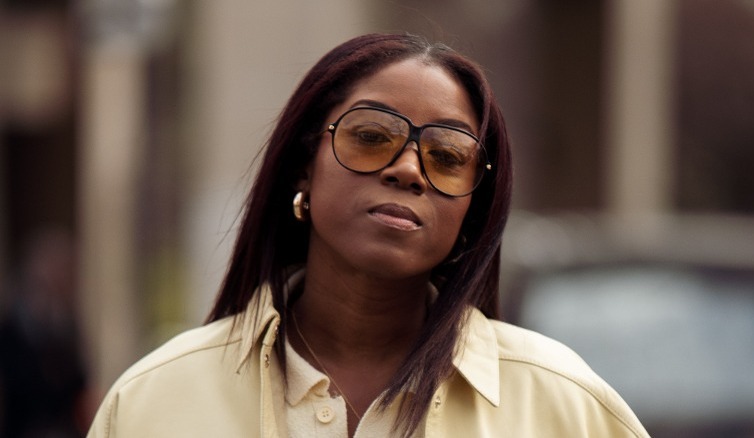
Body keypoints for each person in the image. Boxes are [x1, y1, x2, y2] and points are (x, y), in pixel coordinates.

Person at [87, 33, 649, 437]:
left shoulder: (566, 406)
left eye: (447, 156)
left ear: (471, 210)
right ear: (305, 165)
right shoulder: (153, 400)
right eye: (372, 135)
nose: (407, 169)